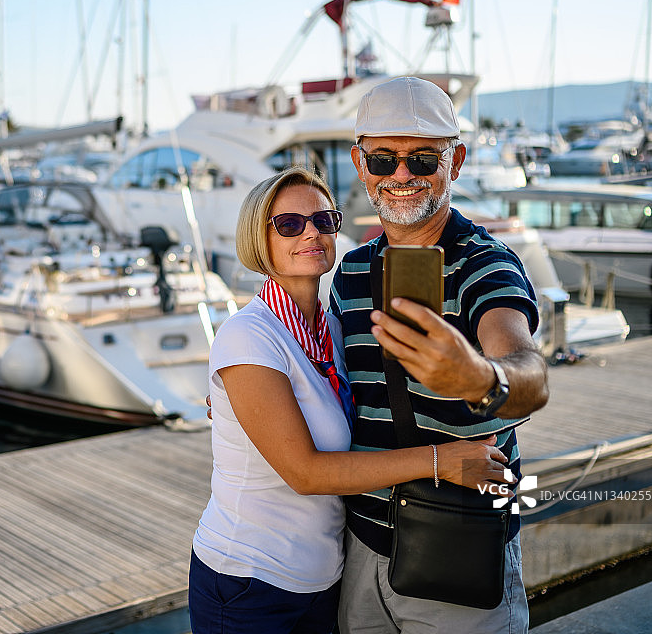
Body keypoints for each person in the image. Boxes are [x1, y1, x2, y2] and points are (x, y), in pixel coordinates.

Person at [189, 165, 512, 634]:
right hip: (249, 581)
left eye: (324, 220)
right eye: (289, 224)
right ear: (260, 240)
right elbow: (305, 472)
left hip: (323, 575)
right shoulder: (248, 337)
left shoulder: (331, 329)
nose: (312, 234)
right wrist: (441, 460)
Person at [329, 76, 549, 633]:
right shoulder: (352, 273)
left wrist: (479, 377)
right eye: (383, 159)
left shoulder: (486, 266)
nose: (401, 175)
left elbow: (528, 371)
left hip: (461, 542)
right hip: (362, 544)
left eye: (422, 158)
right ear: (360, 164)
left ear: (454, 163)